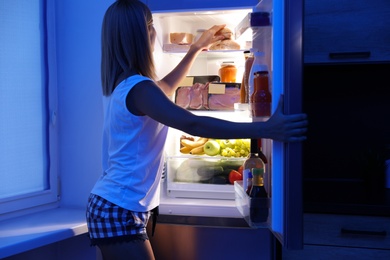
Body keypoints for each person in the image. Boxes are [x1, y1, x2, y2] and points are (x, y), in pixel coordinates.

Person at [86, 0, 308, 259]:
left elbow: (166, 88)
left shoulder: (130, 85)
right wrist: (267, 129)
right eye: (151, 26)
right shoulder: (139, 89)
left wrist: (195, 49)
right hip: (118, 207)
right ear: (144, 33)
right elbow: (192, 123)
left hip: (115, 204)